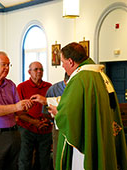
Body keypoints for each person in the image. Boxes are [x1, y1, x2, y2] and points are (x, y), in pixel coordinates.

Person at [31, 42, 127, 170]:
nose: (63, 67)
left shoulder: (79, 78)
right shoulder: (99, 75)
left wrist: (58, 113)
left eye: (63, 63)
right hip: (101, 134)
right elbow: (79, 102)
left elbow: (70, 113)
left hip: (86, 140)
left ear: (70, 62)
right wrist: (47, 101)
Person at [17, 61, 52, 170]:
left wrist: (45, 122)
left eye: (41, 69)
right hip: (26, 129)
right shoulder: (22, 87)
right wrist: (35, 122)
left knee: (44, 161)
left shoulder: (49, 87)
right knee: (25, 159)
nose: (39, 72)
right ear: (29, 72)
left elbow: (53, 107)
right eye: (36, 69)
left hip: (45, 129)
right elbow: (18, 112)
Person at [45, 73, 69, 169]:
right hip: (58, 126)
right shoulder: (54, 89)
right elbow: (47, 111)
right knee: (58, 156)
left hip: (72, 125)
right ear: (64, 81)